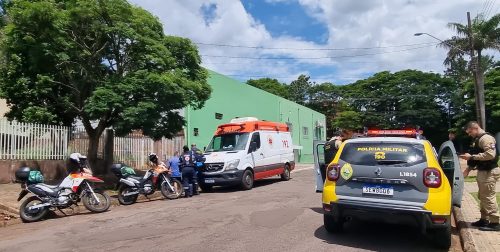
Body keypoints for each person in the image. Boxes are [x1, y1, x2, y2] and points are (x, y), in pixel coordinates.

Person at [460, 121, 500, 231]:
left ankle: (495, 222)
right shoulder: (478, 139)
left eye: (469, 132)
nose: (469, 134)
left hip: (489, 171)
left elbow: (490, 155)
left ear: (475, 128)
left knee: (488, 197)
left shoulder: (486, 139)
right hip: (484, 171)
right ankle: (484, 219)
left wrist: (472, 157)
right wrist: (468, 168)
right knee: (482, 196)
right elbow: (477, 157)